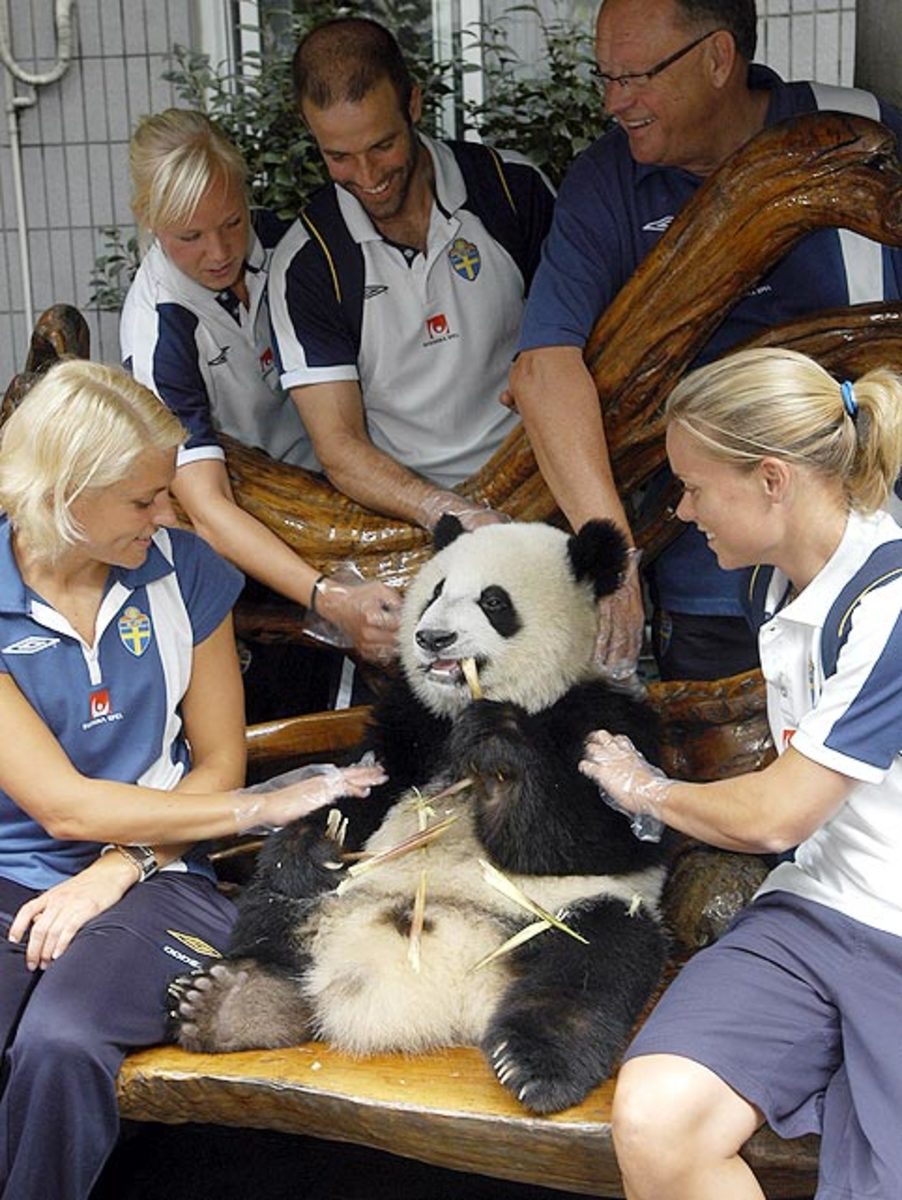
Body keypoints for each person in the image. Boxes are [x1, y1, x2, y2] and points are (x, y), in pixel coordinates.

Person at [0, 360, 385, 1200]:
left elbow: (216, 758)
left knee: (61, 1043)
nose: (167, 515)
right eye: (143, 501)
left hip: (165, 872)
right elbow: (61, 807)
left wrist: (121, 866)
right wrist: (259, 808)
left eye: (166, 492)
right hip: (15, 872)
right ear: (63, 493)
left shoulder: (184, 572)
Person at [579, 347, 902, 1199]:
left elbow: (776, 816)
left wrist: (645, 787)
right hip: (812, 909)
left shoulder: (890, 603)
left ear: (770, 479)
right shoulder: (776, 581)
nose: (681, 512)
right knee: (657, 1121)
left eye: (692, 486)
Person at [510, 0, 902, 683]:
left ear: (719, 58)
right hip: (709, 574)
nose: (613, 102)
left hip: (876, 546)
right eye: (604, 76)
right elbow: (544, 368)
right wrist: (615, 556)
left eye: (634, 77)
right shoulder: (607, 182)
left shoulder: (858, 132)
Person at [120, 108, 401, 692]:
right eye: (189, 237)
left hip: (358, 482)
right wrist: (328, 599)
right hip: (254, 533)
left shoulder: (294, 246)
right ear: (147, 220)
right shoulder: (158, 328)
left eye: (232, 221)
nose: (220, 251)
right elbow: (209, 509)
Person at [269, 17, 556, 532]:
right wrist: (449, 514)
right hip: (407, 515)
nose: (368, 176)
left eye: (382, 145)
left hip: (545, 482)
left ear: (414, 105)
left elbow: (577, 349)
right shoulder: (307, 264)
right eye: (338, 156)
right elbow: (339, 448)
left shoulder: (512, 191)